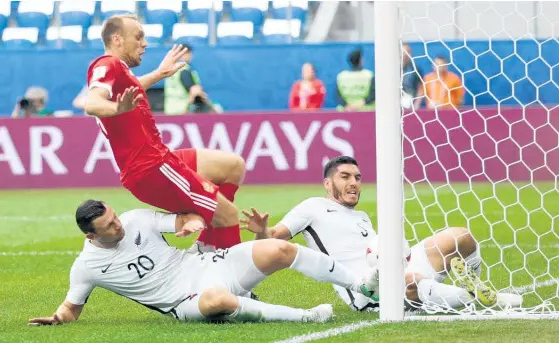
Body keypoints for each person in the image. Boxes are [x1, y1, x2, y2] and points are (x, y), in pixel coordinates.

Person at [27, 200, 378, 325]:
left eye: (115, 218)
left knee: (277, 249)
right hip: (185, 301)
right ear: (91, 236)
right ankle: (306, 317)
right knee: (217, 301)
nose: (119, 225)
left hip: (207, 264)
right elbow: (71, 308)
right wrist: (58, 318)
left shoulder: (136, 218)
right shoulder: (86, 267)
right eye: (109, 227)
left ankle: (359, 284)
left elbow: (179, 222)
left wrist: (191, 224)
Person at [240, 156, 516, 312]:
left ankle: (473, 285)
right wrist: (262, 230)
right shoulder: (312, 207)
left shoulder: (361, 216)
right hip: (365, 288)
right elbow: (274, 238)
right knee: (410, 279)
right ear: (328, 183)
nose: (354, 183)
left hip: (396, 267)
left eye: (358, 178)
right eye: (345, 177)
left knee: (460, 237)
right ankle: (475, 298)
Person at [83, 14, 242, 252]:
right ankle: (234, 282)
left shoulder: (119, 71)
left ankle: (205, 249)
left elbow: (131, 87)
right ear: (117, 39)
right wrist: (118, 108)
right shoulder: (108, 64)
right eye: (138, 37)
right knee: (229, 216)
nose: (144, 43)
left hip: (159, 159)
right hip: (152, 168)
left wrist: (159, 74)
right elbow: (92, 103)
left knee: (232, 166)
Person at [164, 44, 220, 115]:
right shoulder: (184, 70)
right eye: (190, 54)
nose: (191, 56)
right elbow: (195, 91)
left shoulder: (171, 70)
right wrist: (212, 107)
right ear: (185, 53)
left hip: (170, 110)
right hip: (183, 111)